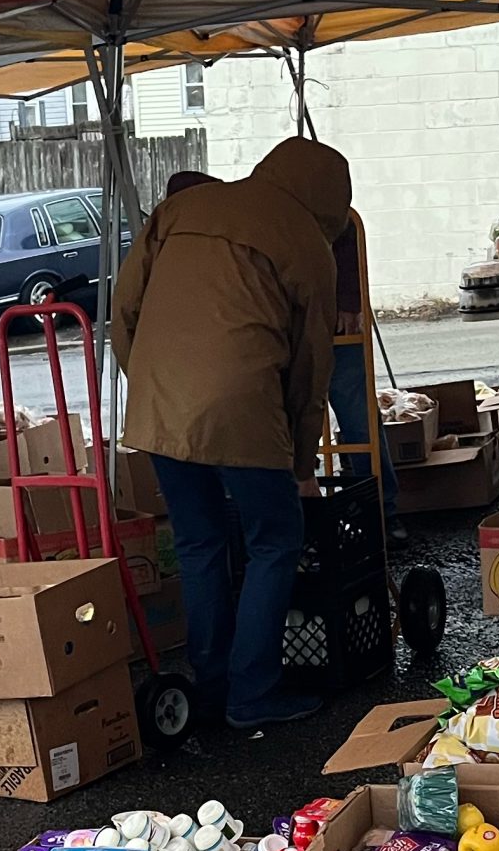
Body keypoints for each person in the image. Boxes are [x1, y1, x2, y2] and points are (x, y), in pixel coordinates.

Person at [112, 139, 349, 730]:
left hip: (160, 408)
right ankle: (253, 692)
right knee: (274, 541)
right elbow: (310, 368)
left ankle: (212, 684)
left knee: (198, 544)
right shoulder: (311, 247)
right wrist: (298, 462)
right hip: (243, 410)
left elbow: (126, 308)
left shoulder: (184, 208)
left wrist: (147, 382)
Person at [325, 210, 401, 526]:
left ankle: (378, 512)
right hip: (294, 320)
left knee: (358, 416)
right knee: (357, 415)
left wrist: (348, 300)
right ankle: (380, 513)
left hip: (307, 320)